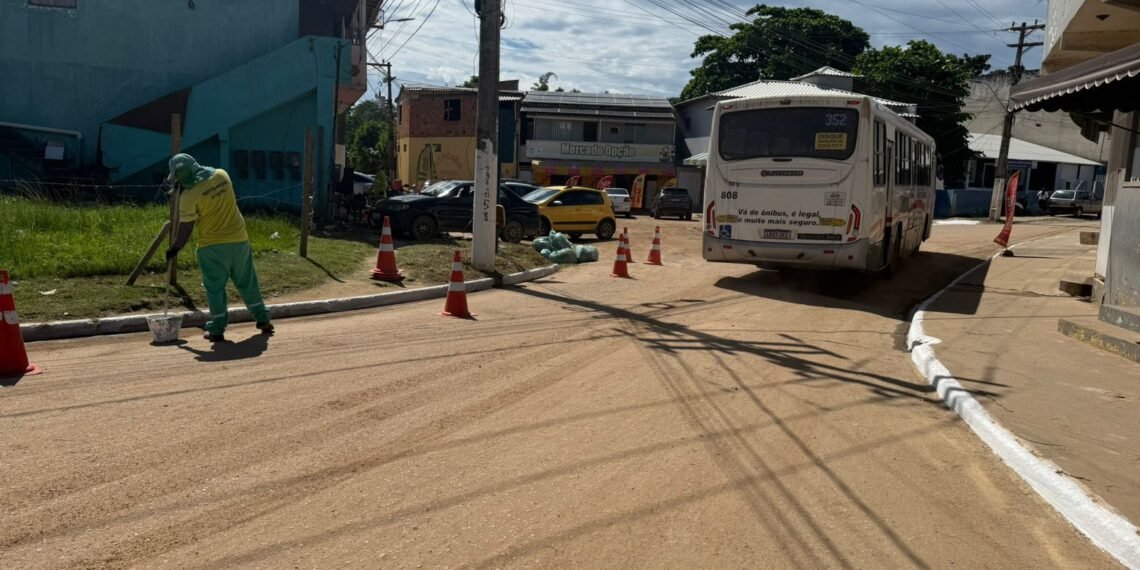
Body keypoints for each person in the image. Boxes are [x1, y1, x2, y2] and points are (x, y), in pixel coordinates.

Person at [165, 153, 273, 342]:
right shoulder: (223, 175)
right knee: (248, 282)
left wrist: (175, 247)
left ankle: (217, 328)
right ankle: (263, 318)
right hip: (239, 240)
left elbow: (186, 227)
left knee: (215, 288)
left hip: (212, 246)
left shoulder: (188, 196)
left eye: (179, 176)